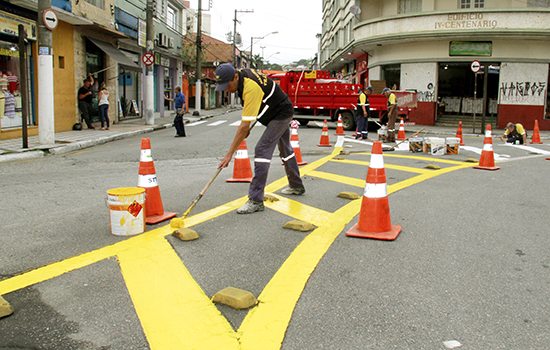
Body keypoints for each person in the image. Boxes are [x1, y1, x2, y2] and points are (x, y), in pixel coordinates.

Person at [215, 63, 304, 214]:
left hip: (280, 115)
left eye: (227, 85)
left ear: (235, 77)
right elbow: (255, 108)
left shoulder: (250, 87)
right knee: (285, 149)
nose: (226, 90)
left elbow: (243, 126)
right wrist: (245, 129)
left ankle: (256, 200)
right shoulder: (243, 77)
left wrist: (230, 154)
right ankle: (296, 185)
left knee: (262, 149)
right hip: (277, 111)